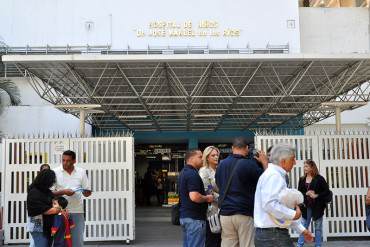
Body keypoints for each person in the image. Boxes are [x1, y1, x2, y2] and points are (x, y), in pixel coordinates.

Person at [254, 143, 314, 247]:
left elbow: (279, 210)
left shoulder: (274, 175)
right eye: (292, 159)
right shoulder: (274, 176)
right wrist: (293, 214)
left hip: (270, 234)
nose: (295, 163)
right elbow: (270, 205)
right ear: (283, 161)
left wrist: (301, 229)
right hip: (273, 235)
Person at [216, 137, 268, 247]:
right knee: (247, 244)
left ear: (232, 148)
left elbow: (218, 184)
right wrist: (264, 163)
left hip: (225, 213)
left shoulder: (221, 164)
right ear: (247, 148)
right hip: (244, 212)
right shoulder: (249, 164)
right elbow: (265, 182)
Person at [53, 150, 92, 247]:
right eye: (63, 160)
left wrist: (87, 192)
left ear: (74, 161)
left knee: (77, 241)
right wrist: (64, 191)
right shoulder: (55, 172)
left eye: (68, 161)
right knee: (60, 242)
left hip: (77, 211)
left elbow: (87, 192)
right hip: (59, 212)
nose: (65, 163)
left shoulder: (81, 172)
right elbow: (50, 193)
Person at [179, 149, 214, 247]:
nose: (202, 159)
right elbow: (194, 196)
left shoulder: (183, 172)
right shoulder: (192, 174)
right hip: (195, 219)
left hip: (186, 217)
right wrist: (207, 198)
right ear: (191, 158)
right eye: (200, 157)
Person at [297, 159, 331, 247]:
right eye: (304, 166)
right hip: (306, 206)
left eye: (306, 166)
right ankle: (299, 245)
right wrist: (306, 194)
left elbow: (327, 191)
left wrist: (316, 195)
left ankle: (318, 245)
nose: (304, 168)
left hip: (317, 206)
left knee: (318, 227)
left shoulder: (319, 179)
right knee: (303, 227)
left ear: (312, 167)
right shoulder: (302, 179)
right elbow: (299, 193)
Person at [27, 169, 61, 247]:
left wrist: (56, 207)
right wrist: (56, 208)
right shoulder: (34, 192)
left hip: (48, 227)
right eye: (51, 181)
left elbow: (55, 202)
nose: (52, 183)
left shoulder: (46, 191)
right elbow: (48, 210)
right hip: (38, 228)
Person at [199, 146, 221, 247]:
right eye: (213, 155)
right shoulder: (204, 171)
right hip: (212, 210)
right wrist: (222, 198)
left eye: (217, 155)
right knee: (212, 239)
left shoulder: (220, 169)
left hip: (224, 209)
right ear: (207, 157)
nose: (216, 157)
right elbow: (208, 190)